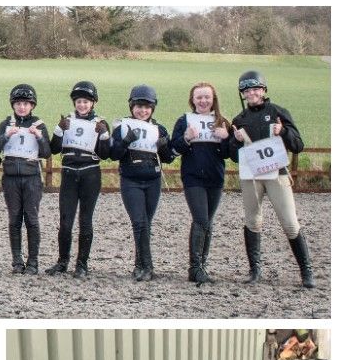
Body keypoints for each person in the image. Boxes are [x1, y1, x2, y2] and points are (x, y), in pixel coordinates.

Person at [229, 70, 313, 288]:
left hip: (276, 174)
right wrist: (236, 141)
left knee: (290, 223)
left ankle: (306, 271)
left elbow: (298, 145)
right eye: (247, 90)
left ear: (263, 90)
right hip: (251, 177)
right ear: (242, 93)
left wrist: (283, 131)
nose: (252, 93)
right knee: (253, 221)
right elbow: (233, 155)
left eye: (256, 89)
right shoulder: (239, 120)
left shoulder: (278, 112)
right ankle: (254, 270)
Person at [109, 85, 176, 281]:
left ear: (153, 108)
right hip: (131, 179)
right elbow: (113, 155)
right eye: (138, 106)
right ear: (131, 107)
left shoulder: (159, 128)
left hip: (153, 180)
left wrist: (164, 147)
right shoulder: (122, 127)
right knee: (139, 222)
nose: (142, 111)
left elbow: (168, 158)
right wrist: (125, 141)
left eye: (147, 107)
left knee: (146, 223)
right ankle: (148, 266)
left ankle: (139, 265)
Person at [46, 81, 111, 279]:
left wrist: (104, 135)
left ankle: (82, 264)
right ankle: (62, 261)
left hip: (90, 173)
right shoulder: (67, 120)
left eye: (86, 102)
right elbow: (54, 149)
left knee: (85, 220)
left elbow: (106, 154)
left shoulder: (100, 123)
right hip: (69, 172)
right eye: (79, 101)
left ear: (93, 103)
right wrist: (58, 130)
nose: (82, 105)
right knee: (65, 220)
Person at [170, 82, 232, 286]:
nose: (203, 101)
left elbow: (228, 153)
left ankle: (201, 266)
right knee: (201, 220)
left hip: (215, 178)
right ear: (192, 100)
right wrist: (186, 138)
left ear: (213, 99)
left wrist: (225, 139)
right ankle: (194, 267)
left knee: (208, 222)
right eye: (199, 97)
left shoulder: (222, 121)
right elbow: (173, 149)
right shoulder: (184, 120)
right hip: (193, 177)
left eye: (207, 97)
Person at [0, 84, 50, 275]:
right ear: (13, 105)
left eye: (26, 103)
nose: (22, 107)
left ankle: (33, 262)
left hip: (32, 176)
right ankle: (17, 260)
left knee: (31, 219)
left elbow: (47, 152)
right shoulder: (6, 123)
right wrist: (6, 135)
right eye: (18, 103)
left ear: (32, 105)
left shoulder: (39, 124)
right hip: (10, 177)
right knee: (14, 219)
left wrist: (40, 137)